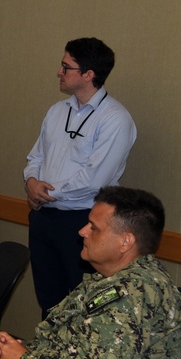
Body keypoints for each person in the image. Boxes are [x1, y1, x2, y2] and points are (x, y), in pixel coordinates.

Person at [0, 187, 181, 359]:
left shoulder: (133, 292)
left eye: (94, 228)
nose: (82, 231)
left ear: (126, 242)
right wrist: (16, 351)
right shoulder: (108, 279)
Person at [24, 37, 136, 318]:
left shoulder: (115, 119)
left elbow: (95, 179)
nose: (59, 72)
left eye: (66, 67)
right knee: (49, 304)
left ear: (89, 75)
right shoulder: (57, 111)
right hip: (43, 217)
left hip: (82, 222)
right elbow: (36, 157)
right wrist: (31, 183)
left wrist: (47, 193)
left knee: (79, 304)